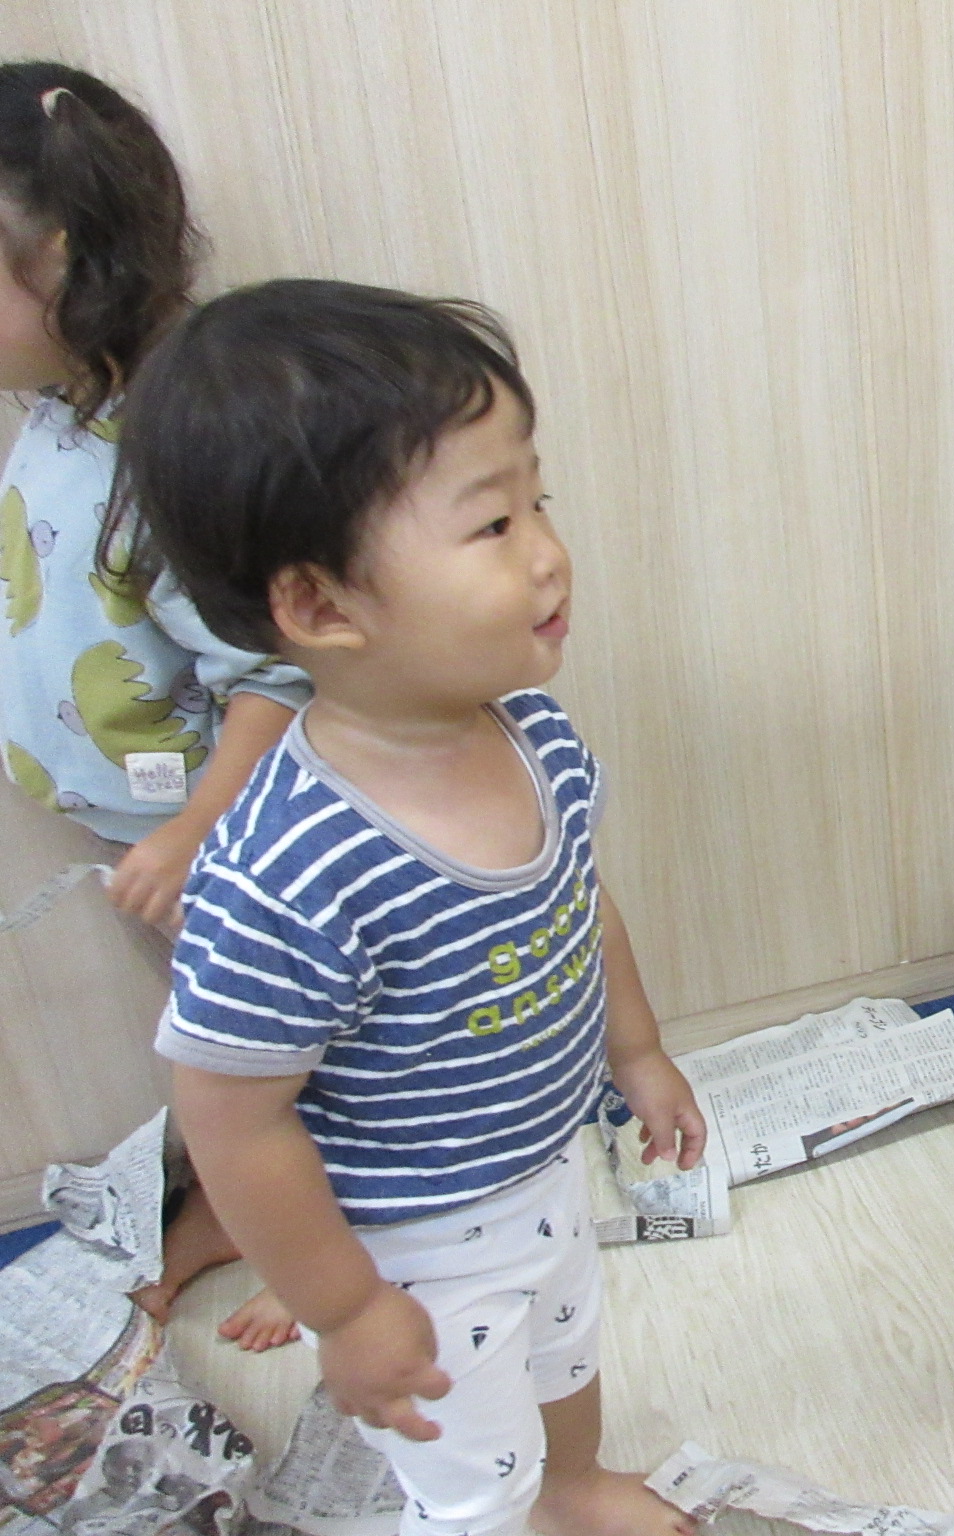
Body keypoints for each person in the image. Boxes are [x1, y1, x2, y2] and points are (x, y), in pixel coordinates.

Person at [131, 278, 706, 1536]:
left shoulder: (532, 730)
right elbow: (230, 1115)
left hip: (544, 1161)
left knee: (564, 1354)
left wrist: (638, 1052)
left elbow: (579, 904)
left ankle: (572, 1489)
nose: (546, 549)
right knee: (470, 1479)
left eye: (538, 500)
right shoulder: (290, 870)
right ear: (319, 606)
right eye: (490, 522)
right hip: (411, 1241)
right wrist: (343, 1306)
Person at [0, 59, 304, 1348]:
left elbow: (273, 678)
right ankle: (244, 1203)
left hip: (222, 836)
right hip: (144, 834)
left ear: (61, 264)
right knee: (221, 1047)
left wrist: (191, 832)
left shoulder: (166, 452)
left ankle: (318, 1241)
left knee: (278, 1052)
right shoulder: (55, 410)